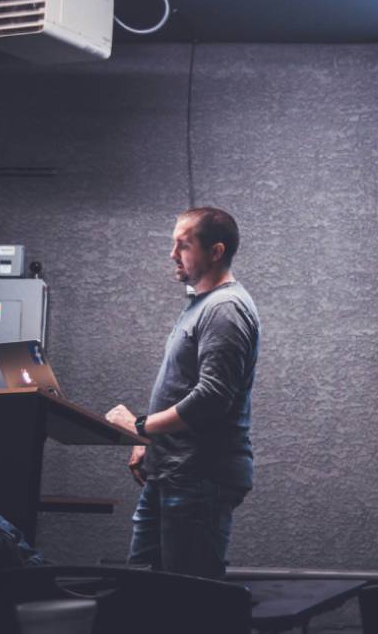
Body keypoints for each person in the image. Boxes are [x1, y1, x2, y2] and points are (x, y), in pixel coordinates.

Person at [105, 207, 260, 580]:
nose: (173, 254)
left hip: (198, 478)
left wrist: (142, 426)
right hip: (173, 473)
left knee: (189, 603)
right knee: (145, 593)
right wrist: (150, 437)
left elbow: (211, 396)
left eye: (183, 245)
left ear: (216, 251)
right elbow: (186, 388)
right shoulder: (200, 305)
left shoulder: (225, 309)